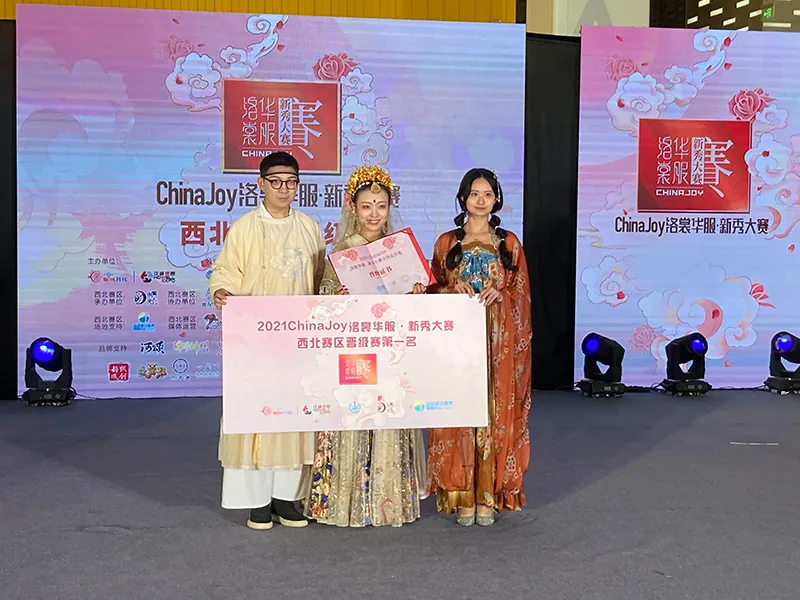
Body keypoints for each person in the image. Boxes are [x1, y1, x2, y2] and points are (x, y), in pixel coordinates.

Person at [305, 165, 427, 527]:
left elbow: (416, 304)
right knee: (354, 415)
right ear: (353, 208)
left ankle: (386, 500)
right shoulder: (343, 251)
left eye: (381, 206)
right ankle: (348, 501)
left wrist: (417, 293)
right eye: (366, 206)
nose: (374, 214)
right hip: (355, 348)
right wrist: (336, 296)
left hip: (390, 348)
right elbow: (322, 300)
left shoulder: (400, 251)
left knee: (389, 414)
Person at [210, 151, 326, 530]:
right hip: (256, 342)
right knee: (255, 416)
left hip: (298, 341)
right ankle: (256, 501)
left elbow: (320, 279)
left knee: (294, 415)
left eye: (291, 182)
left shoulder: (309, 227)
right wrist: (222, 290)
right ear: (261, 184)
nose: (283, 189)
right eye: (276, 181)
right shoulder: (244, 228)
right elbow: (225, 270)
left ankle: (286, 498)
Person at [426, 168, 532, 527]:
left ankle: (489, 495)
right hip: (457, 342)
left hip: (497, 341)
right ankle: (462, 495)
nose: (481, 200)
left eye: (488, 194)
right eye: (474, 194)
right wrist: (449, 290)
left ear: (497, 199)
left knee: (492, 412)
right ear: (462, 198)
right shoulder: (446, 243)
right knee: (458, 410)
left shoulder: (508, 243)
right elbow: (430, 289)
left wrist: (500, 294)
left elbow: (522, 293)